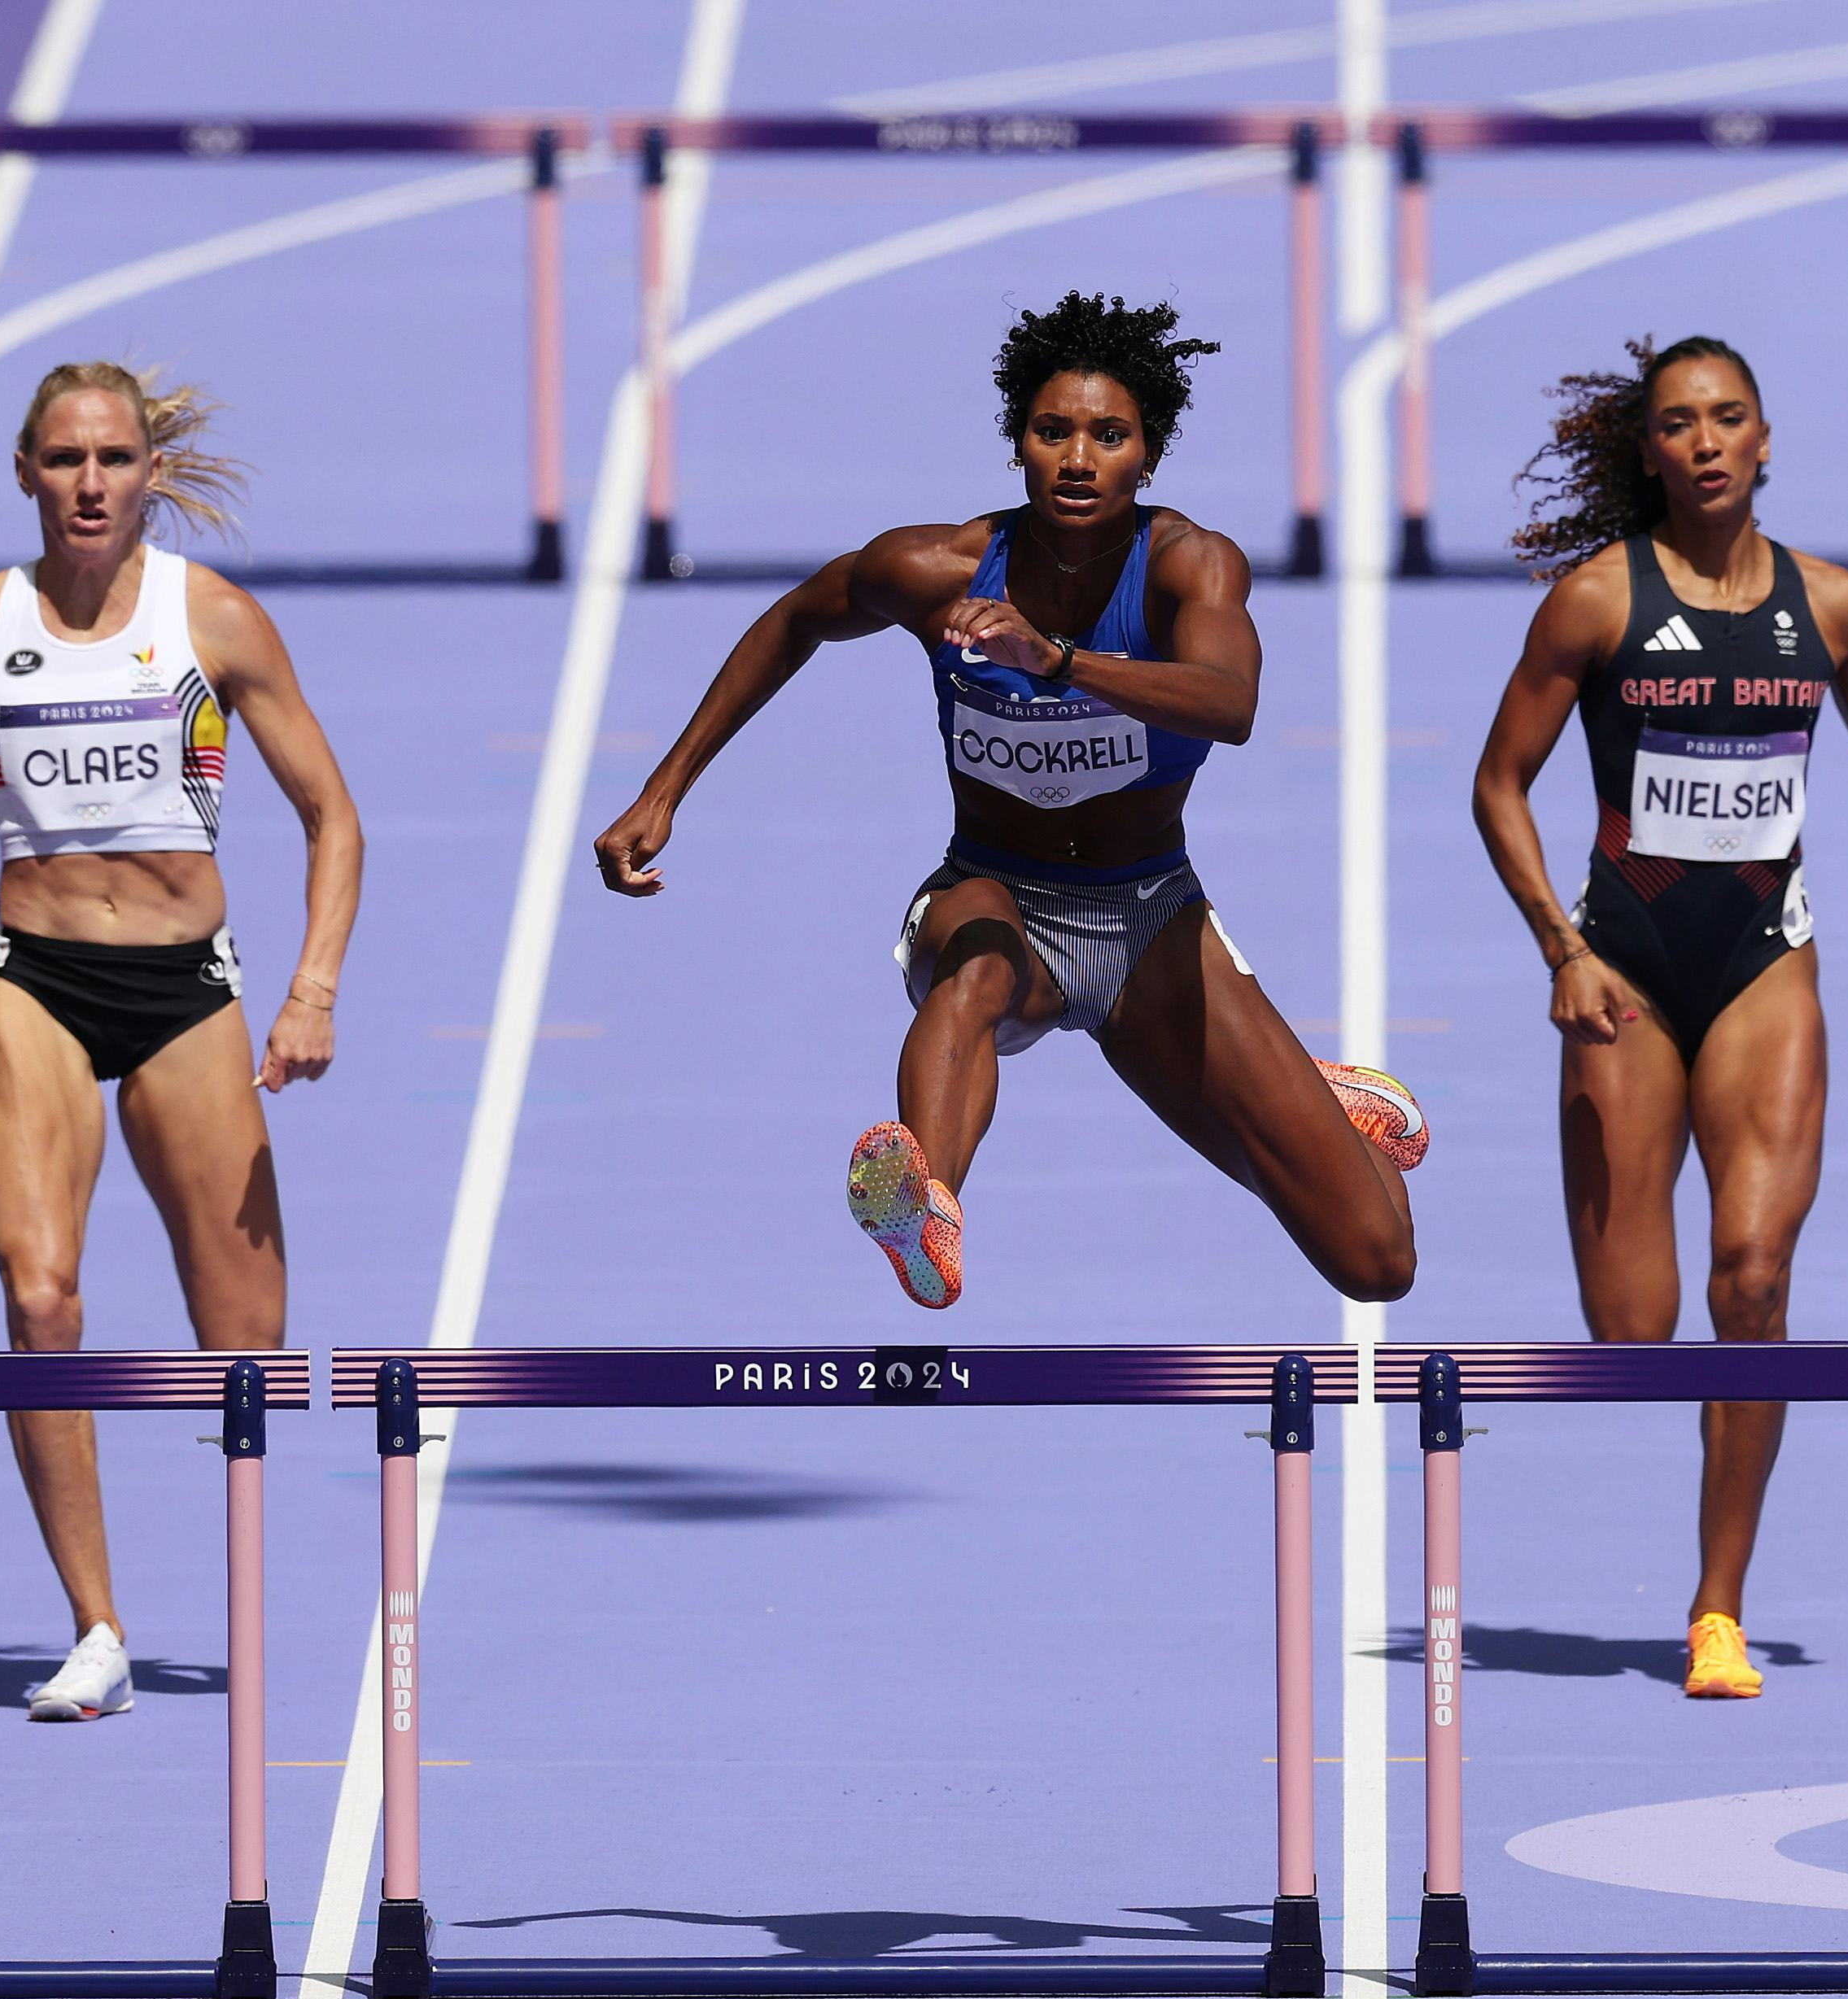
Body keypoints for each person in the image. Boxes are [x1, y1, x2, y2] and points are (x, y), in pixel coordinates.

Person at [593, 291, 1423, 1309]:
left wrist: (1061, 659)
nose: (1078, 458)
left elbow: (1230, 703)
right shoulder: (937, 569)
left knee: (1377, 1262)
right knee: (974, 970)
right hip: (993, 890)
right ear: (1017, 447)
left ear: (1147, 457)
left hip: (1149, 914)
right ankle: (924, 1211)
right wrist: (663, 788)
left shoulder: (1189, 567)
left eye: (1108, 436)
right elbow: (795, 620)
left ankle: (1309, 1093)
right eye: (1053, 432)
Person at [0, 362, 362, 1719]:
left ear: (147, 476)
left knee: (247, 1339)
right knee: (40, 1299)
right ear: (25, 473)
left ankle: (234, 1585)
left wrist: (309, 989)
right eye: (64, 460)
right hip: (38, 985)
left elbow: (332, 819)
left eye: (114, 459)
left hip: (188, 987)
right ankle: (98, 1628)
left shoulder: (216, 622)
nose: (89, 483)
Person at [1470, 336, 1848, 1699]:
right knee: (1630, 1333)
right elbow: (1499, 785)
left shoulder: (1834, 607)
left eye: (1730, 418)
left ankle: (1716, 1609)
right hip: (1621, 967)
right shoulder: (1592, 605)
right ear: (1651, 453)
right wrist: (1561, 945)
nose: (1709, 441)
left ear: (1766, 439)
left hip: (1761, 965)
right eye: (1680, 424)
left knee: (1752, 1281)